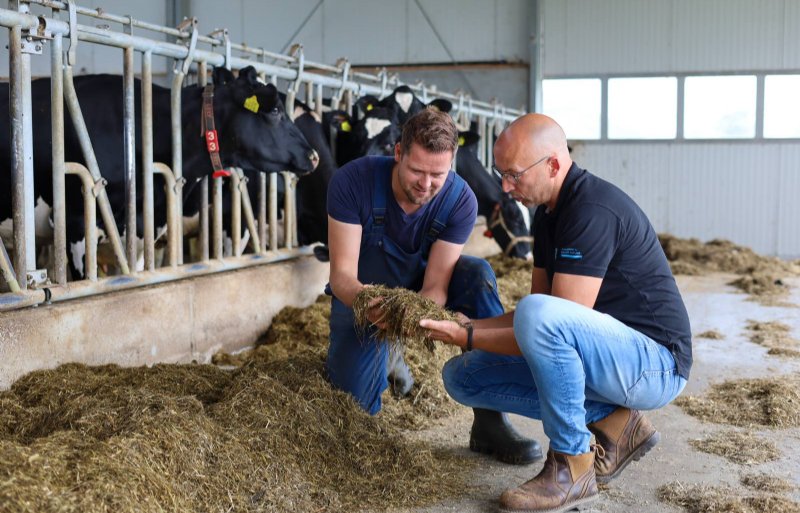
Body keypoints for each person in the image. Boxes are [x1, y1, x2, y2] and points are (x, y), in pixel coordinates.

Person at [421, 113, 692, 513]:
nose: (505, 187)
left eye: (514, 175)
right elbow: (535, 321)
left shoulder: (591, 209)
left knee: (538, 317)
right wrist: (467, 326)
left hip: (655, 364)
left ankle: (572, 464)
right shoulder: (548, 212)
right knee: (463, 377)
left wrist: (469, 336)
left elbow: (548, 320)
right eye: (501, 174)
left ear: (552, 164)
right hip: (609, 359)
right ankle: (617, 423)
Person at [325, 108, 542, 465]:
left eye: (437, 175)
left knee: (477, 274)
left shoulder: (459, 200)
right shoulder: (353, 181)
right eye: (416, 171)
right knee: (353, 408)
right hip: (361, 298)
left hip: (418, 291)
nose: (426, 185)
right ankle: (374, 362)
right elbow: (342, 277)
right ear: (398, 153)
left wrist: (408, 320)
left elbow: (437, 286)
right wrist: (371, 304)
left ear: (452, 164)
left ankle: (490, 421)